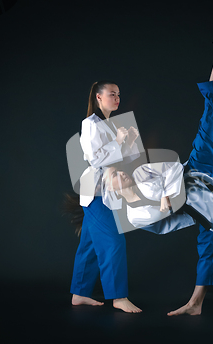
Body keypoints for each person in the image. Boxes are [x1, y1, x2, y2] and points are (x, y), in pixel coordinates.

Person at [100, 40, 213, 315]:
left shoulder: (140, 172)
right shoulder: (134, 215)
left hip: (198, 167)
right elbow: (162, 215)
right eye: (115, 177)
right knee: (211, 243)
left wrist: (167, 195)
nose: (120, 172)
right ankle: (196, 305)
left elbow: (170, 168)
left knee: (212, 113)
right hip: (200, 205)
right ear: (115, 192)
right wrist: (167, 202)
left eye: (116, 170)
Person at [68, 79, 143, 313]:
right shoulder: (90, 123)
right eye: (112, 94)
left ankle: (79, 294)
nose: (117, 98)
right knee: (114, 242)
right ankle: (118, 297)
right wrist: (120, 141)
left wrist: (128, 141)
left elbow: (124, 159)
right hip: (96, 192)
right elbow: (95, 159)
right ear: (98, 97)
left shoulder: (112, 124)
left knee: (89, 246)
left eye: (119, 94)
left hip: (108, 191)